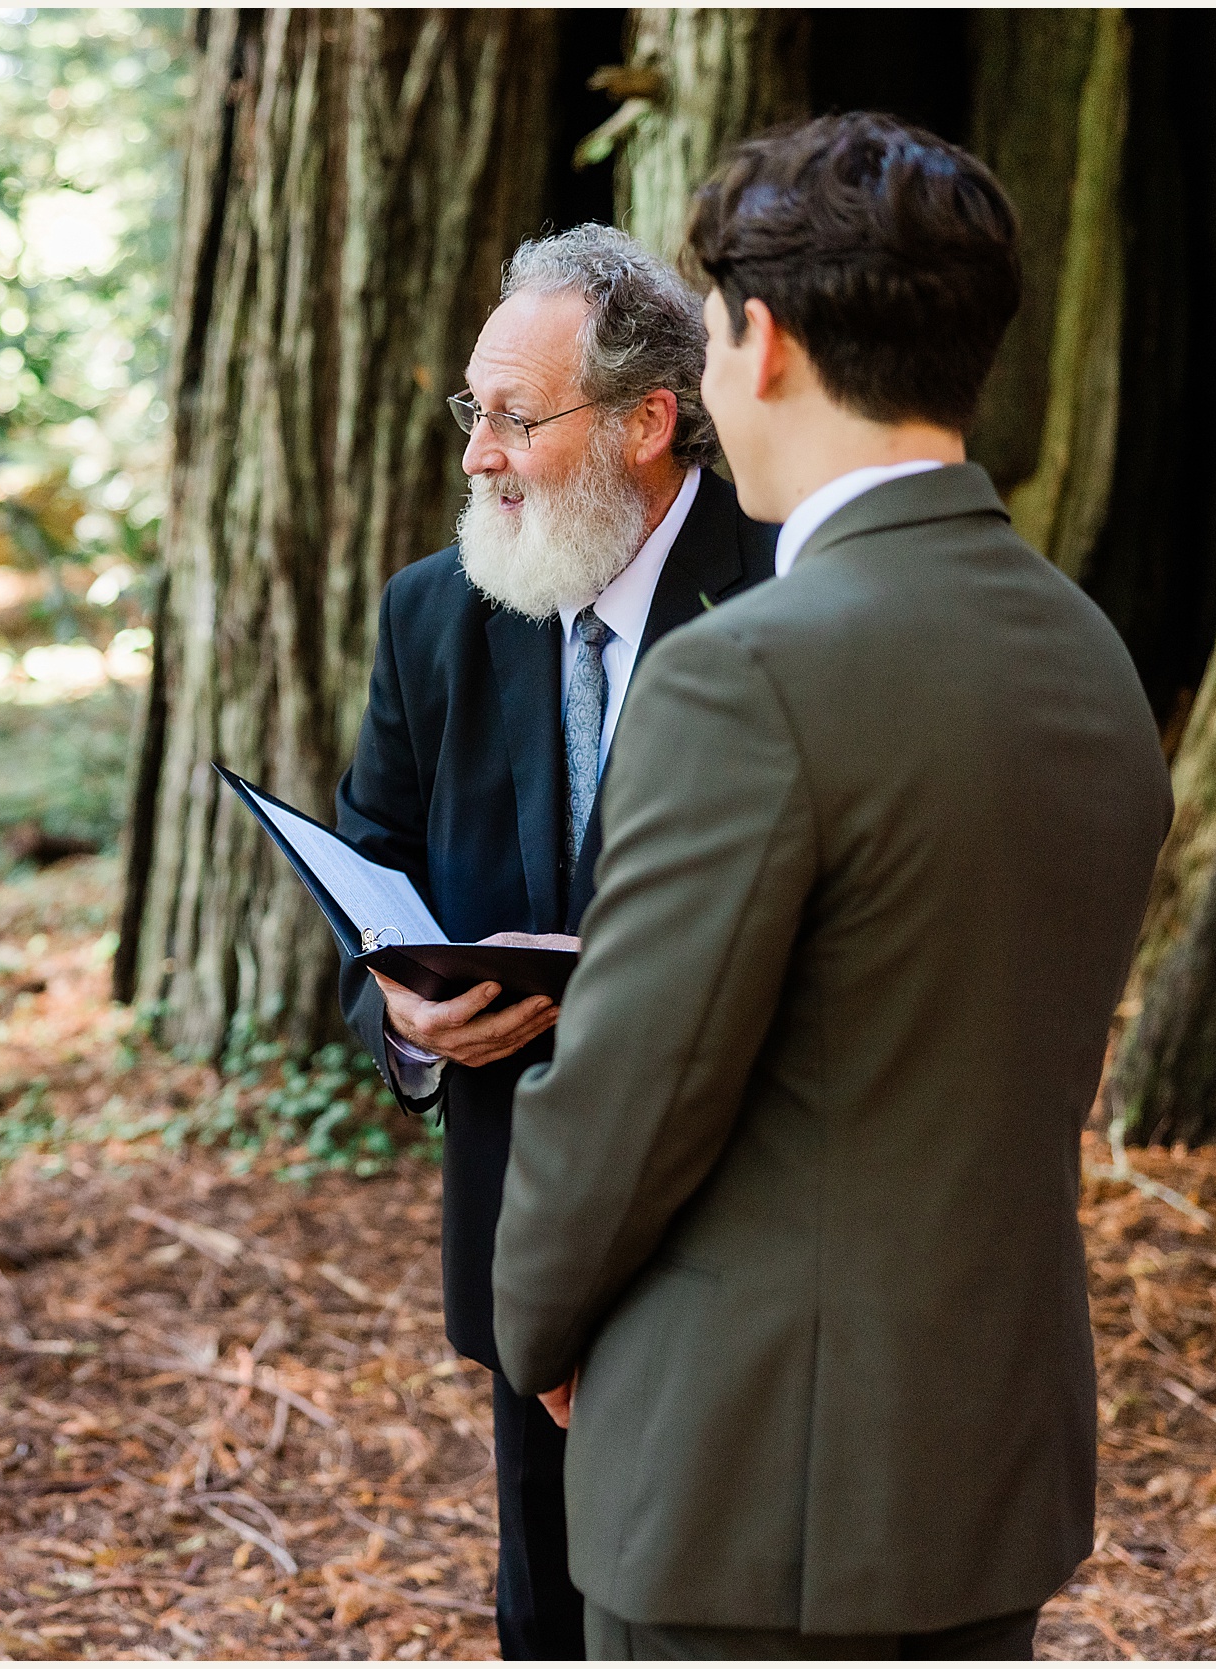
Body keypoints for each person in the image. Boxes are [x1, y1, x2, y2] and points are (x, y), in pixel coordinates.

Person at [489, 114, 1174, 1660]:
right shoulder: (1090, 653)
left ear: (765, 339)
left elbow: (631, 1089)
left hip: (756, 1489)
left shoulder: (750, 674)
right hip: (986, 1462)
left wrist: (535, 1318)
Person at [334, 223, 777, 1659]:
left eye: (519, 419)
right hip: (522, 1228)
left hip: (747, 1239)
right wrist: (404, 1021)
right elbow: (371, 870)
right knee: (552, 1612)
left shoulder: (788, 598)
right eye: (477, 412)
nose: (480, 455)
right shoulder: (433, 614)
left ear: (652, 421)